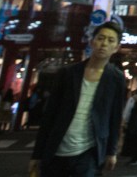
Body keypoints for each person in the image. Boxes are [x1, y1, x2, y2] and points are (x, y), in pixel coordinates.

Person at [29, 22, 126, 177]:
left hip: (89, 152)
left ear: (116, 47)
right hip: (57, 148)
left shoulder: (116, 79)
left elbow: (115, 118)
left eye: (110, 40)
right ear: (92, 41)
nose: (104, 44)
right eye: (101, 38)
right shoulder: (68, 73)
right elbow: (50, 114)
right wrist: (37, 154)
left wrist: (111, 152)